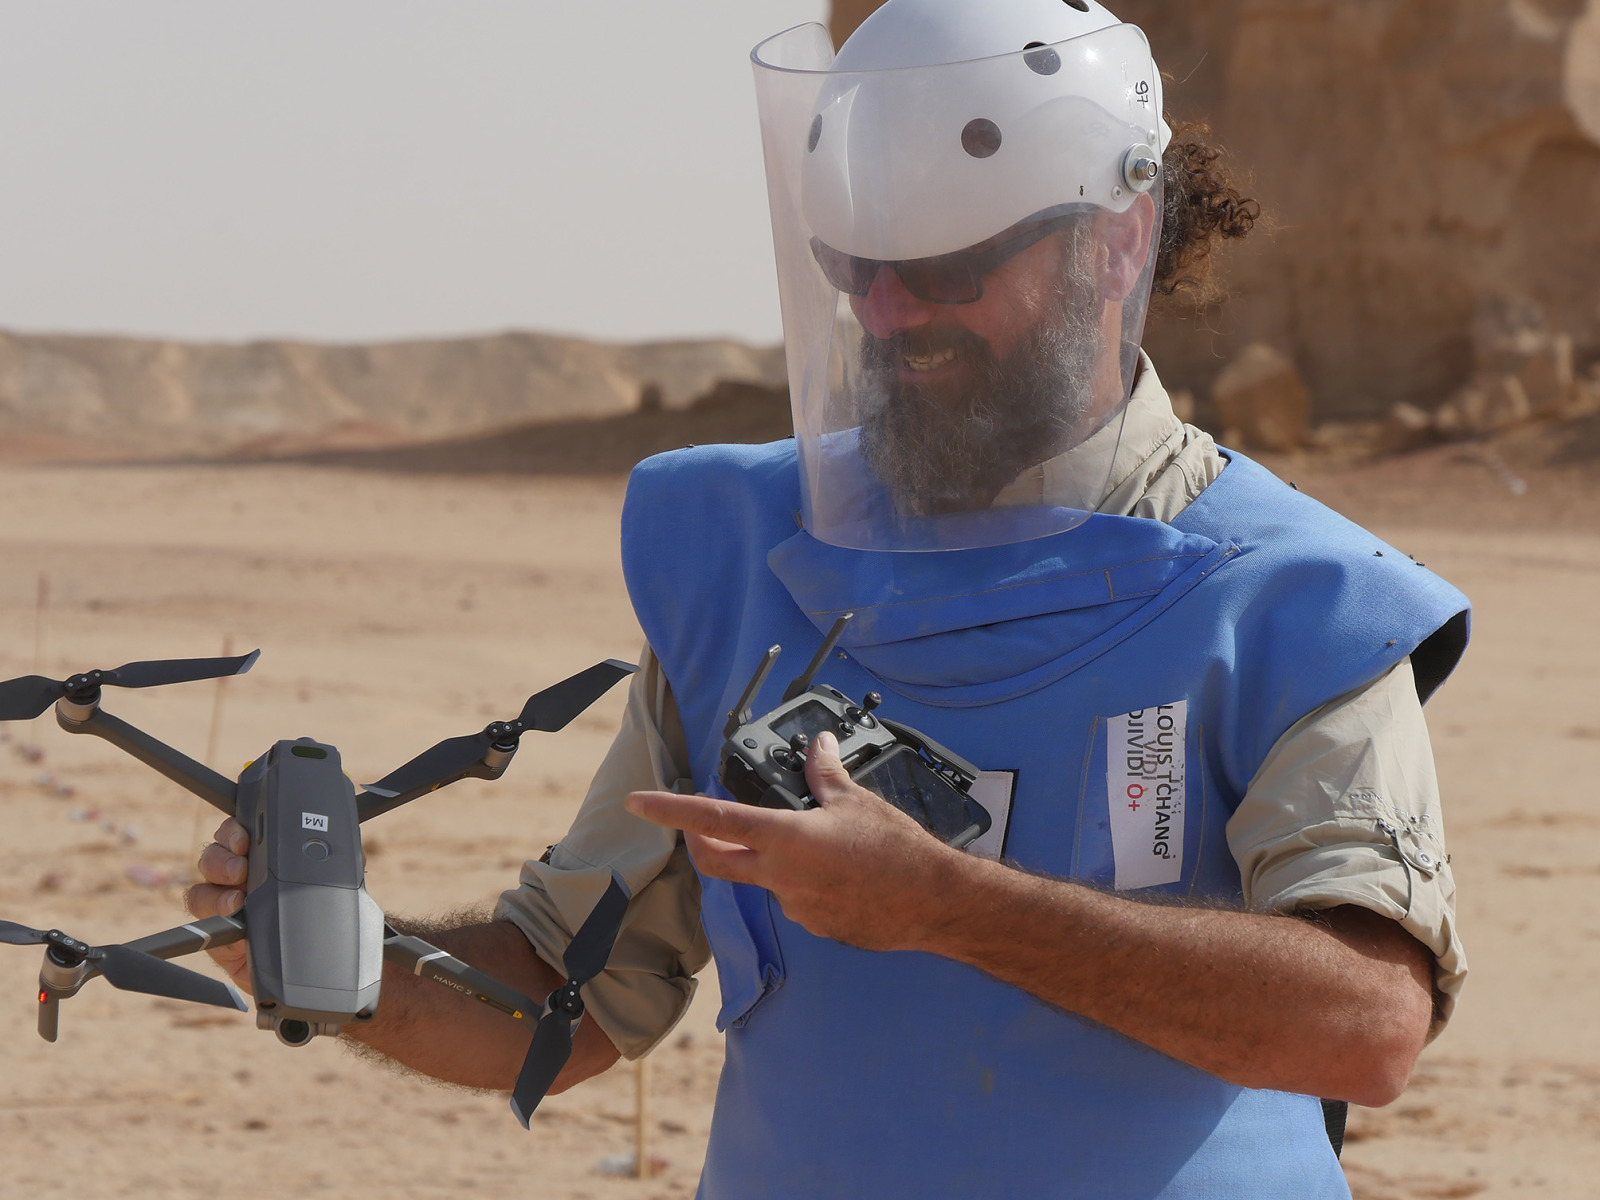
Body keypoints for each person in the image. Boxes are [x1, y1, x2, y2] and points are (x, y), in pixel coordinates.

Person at [188, 1, 1470, 1195]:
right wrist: (337, 959)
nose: (890, 314)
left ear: (1116, 237)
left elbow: (1363, 1025)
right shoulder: (746, 559)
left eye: (951, 267)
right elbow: (577, 991)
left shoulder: (1297, 601)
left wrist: (951, 910)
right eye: (852, 268)